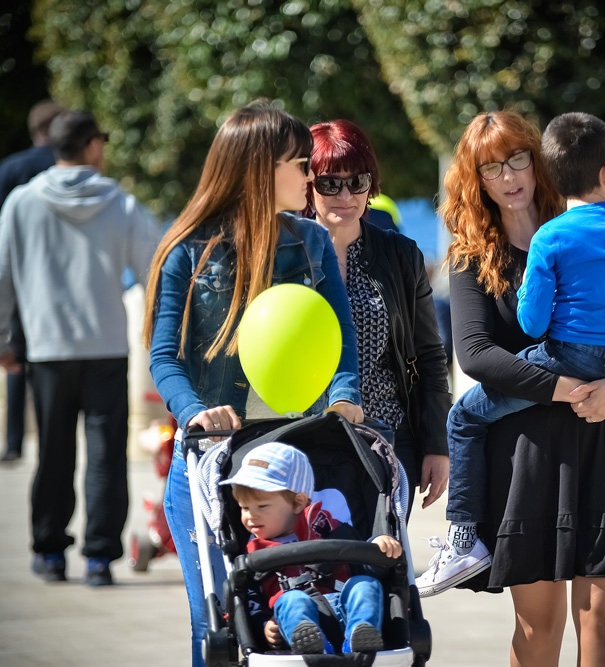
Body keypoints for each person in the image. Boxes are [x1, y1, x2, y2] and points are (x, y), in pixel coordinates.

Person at [427, 110, 605, 667]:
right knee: (540, 630)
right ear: (475, 180)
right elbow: (475, 354)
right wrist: (566, 388)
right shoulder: (472, 254)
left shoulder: (587, 223)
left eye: (517, 159)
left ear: (539, 161)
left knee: (603, 623)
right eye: (491, 168)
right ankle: (462, 541)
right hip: (528, 456)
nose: (509, 176)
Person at [143, 101, 364, 667]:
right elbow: (164, 358)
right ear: (262, 169)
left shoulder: (311, 242)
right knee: (219, 626)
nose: (311, 177)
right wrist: (194, 411)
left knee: (307, 605)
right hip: (210, 464)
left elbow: (338, 340)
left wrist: (345, 396)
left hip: (295, 460)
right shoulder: (187, 250)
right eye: (300, 164)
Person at [0, 110, 161, 586]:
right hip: (105, 349)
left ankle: (50, 551)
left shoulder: (22, 202)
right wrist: (163, 336)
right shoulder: (120, 203)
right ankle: (99, 558)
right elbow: (156, 273)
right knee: (106, 458)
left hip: (47, 349)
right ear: (92, 145)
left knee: (53, 455)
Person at [303, 119, 451, 512]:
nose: (346, 195)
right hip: (303, 442)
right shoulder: (284, 255)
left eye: (358, 181)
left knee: (383, 546)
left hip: (387, 441)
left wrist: (437, 445)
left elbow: (429, 354)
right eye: (330, 183)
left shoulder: (400, 255)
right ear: (307, 185)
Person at [220, 441, 401, 654]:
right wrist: (263, 624)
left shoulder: (326, 527)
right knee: (292, 600)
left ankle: (360, 634)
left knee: (365, 584)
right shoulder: (254, 552)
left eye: (262, 506)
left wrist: (377, 544)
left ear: (298, 503)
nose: (250, 516)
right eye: (244, 508)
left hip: (343, 606)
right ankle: (314, 647)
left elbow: (361, 562)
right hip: (295, 622)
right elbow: (249, 598)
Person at [0, 99, 65, 466]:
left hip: (19, 280)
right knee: (55, 365)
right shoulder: (64, 164)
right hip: (59, 279)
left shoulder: (11, 168)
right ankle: (52, 441)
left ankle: (14, 442)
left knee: (17, 361)